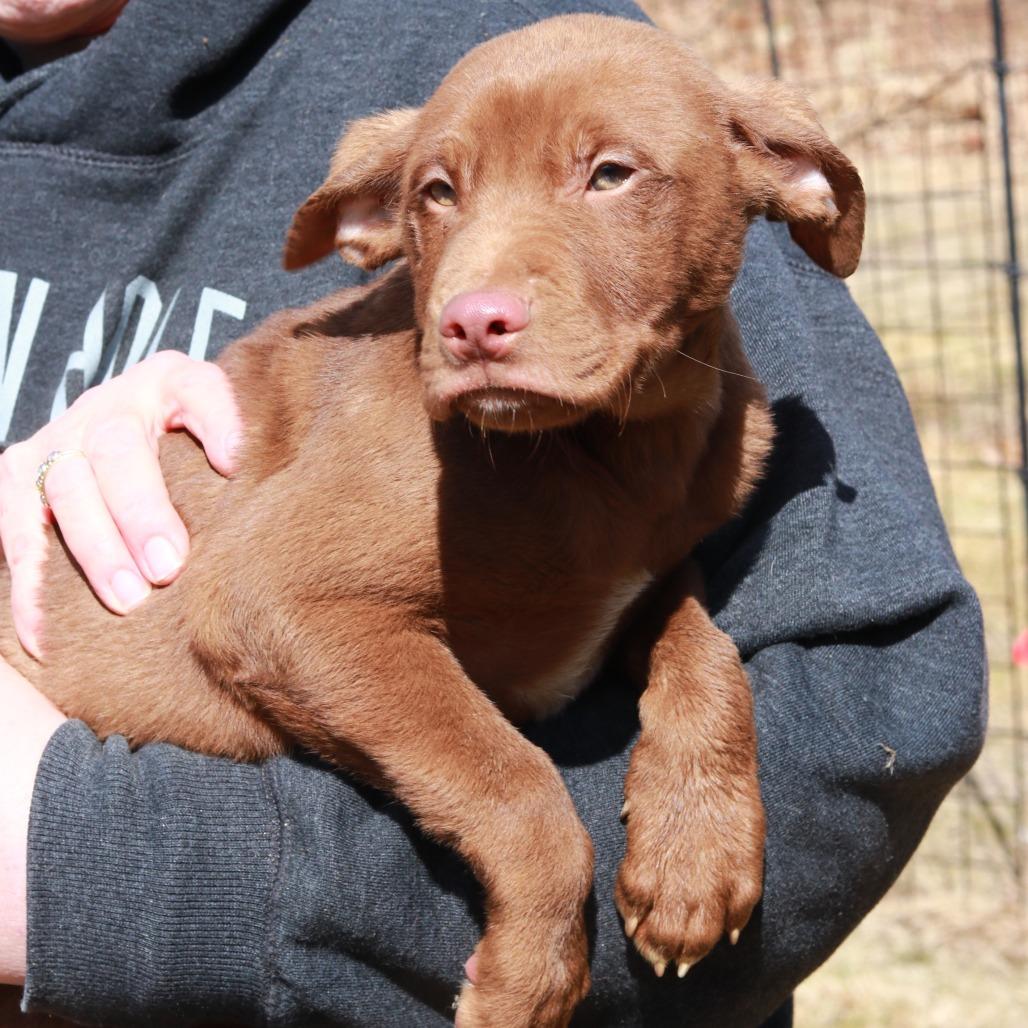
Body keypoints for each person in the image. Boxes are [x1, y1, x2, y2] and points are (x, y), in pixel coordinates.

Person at [0, 0, 986, 1024]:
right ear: (382, 216)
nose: (476, 297)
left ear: (790, 180)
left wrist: (692, 680)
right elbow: (276, 608)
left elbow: (858, 691)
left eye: (606, 175)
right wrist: (530, 837)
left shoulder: (555, 53)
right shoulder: (403, 403)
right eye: (439, 194)